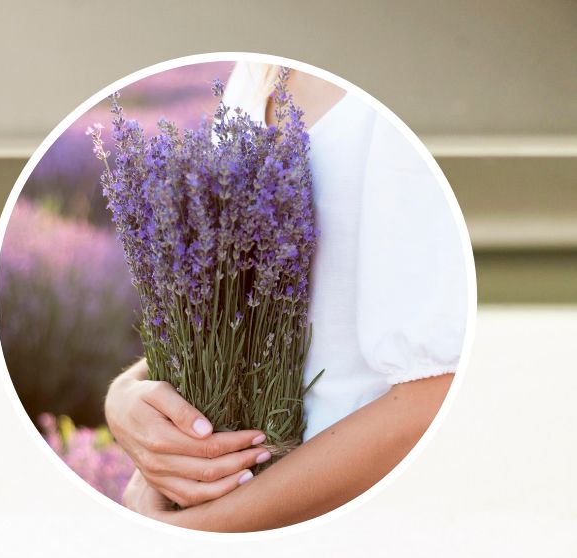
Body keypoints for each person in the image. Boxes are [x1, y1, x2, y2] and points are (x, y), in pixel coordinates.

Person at [106, 63, 468, 532]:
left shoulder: (387, 112)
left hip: (347, 526)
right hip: (242, 507)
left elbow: (434, 394)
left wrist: (209, 527)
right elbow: (224, 309)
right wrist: (129, 399)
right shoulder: (253, 77)